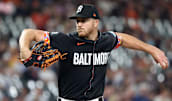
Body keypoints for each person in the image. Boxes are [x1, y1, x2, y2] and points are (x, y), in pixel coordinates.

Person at [19, 4, 169, 101]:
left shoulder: (105, 41)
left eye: (84, 20)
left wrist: (151, 49)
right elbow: (28, 33)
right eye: (78, 20)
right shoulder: (65, 41)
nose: (79, 24)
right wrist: (25, 49)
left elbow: (122, 39)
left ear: (96, 22)